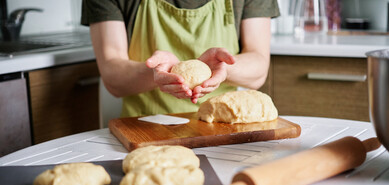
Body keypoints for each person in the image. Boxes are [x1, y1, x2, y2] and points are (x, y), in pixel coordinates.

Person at [81, 0, 280, 117]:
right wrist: (156, 73)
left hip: (222, 127)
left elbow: (258, 68)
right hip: (144, 130)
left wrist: (224, 69)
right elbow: (113, 76)